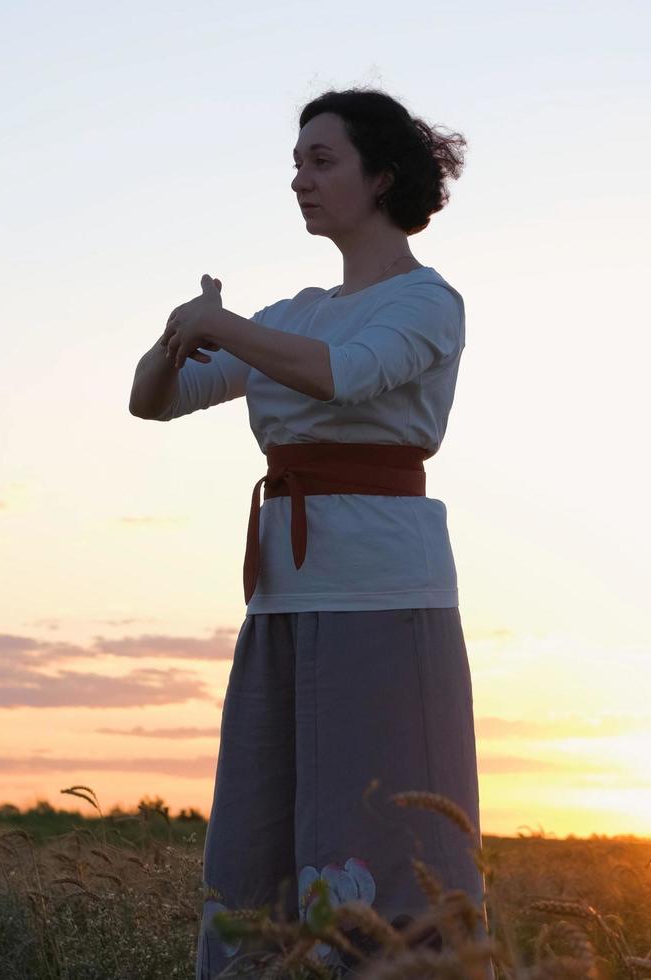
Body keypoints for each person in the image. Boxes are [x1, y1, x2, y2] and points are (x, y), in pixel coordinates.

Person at [128, 87, 487, 978]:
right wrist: (183, 333)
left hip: (385, 602)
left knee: (390, 845)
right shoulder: (290, 314)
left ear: (382, 177)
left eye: (320, 161)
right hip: (284, 604)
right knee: (257, 847)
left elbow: (346, 377)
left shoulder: (426, 303)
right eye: (295, 163)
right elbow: (152, 400)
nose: (299, 179)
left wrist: (225, 327)